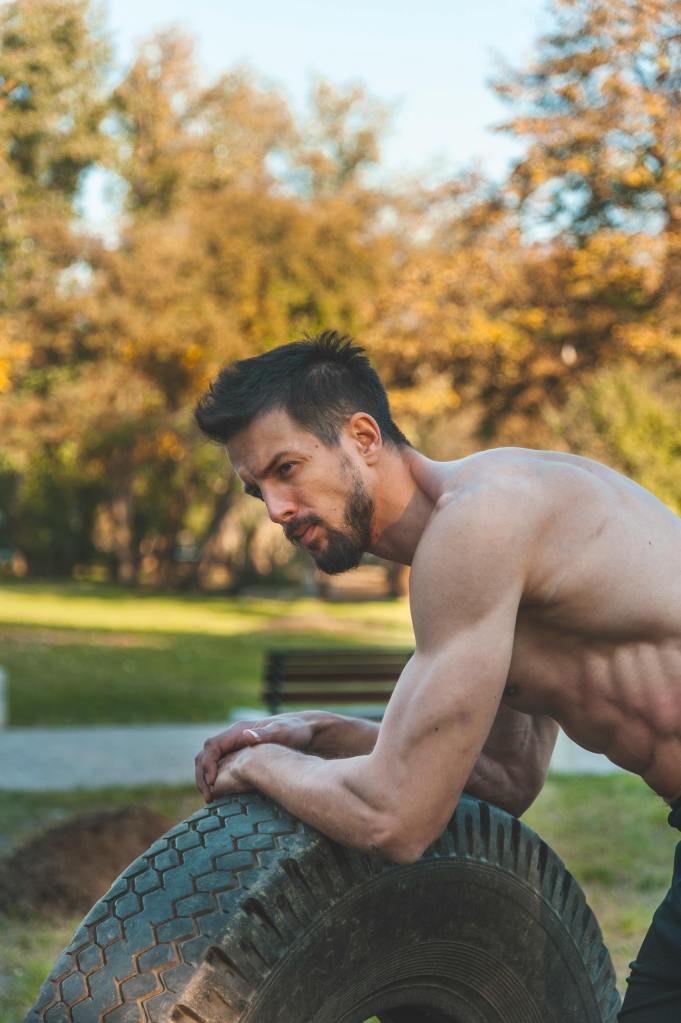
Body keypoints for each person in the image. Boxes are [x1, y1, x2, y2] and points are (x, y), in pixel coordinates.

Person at [193, 330, 681, 1022]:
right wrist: (320, 734)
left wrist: (260, 765)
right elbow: (506, 778)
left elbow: (396, 819)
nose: (276, 509)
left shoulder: (482, 521)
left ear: (363, 437)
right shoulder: (489, 534)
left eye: (287, 468)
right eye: (257, 490)